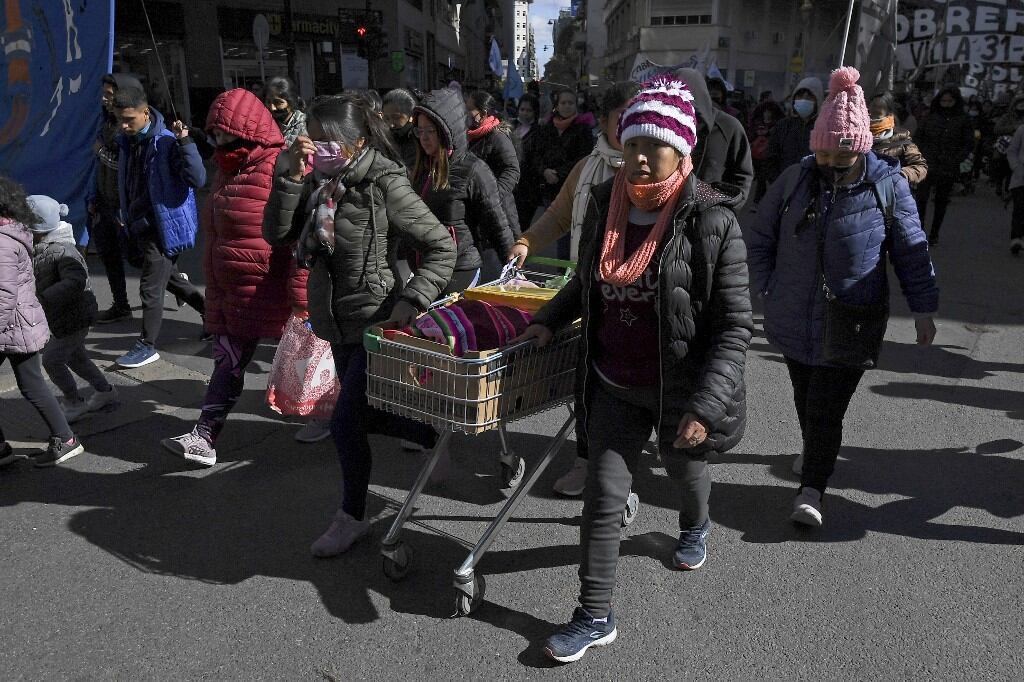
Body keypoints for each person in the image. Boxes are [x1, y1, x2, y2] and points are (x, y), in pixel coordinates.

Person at [516, 77, 752, 663]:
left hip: (679, 388)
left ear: (683, 149)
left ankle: (695, 524)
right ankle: (594, 615)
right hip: (612, 383)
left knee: (686, 474)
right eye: (633, 144)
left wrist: (706, 407)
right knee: (603, 499)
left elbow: (734, 327)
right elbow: (586, 281)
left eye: (655, 146)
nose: (641, 157)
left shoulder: (712, 222)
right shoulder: (605, 202)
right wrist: (548, 320)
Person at [262, 96, 456, 557]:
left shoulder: (383, 182)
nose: (318, 148)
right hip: (334, 319)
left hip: (376, 318)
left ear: (358, 141)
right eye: (313, 138)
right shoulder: (315, 181)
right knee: (360, 416)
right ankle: (431, 435)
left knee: (346, 422)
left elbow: (441, 246)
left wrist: (412, 299)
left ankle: (351, 517)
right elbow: (278, 234)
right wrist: (288, 178)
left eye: (328, 140)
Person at [747, 67, 939, 528]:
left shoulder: (889, 185)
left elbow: (912, 251)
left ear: (862, 147)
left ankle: (812, 488)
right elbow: (760, 237)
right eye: (824, 150)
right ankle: (814, 451)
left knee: (825, 408)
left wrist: (923, 309)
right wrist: (764, 286)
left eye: (843, 152)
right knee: (804, 397)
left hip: (853, 317)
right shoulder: (795, 179)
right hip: (793, 312)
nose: (832, 160)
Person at [160, 88, 296, 466]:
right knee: (228, 361)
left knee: (317, 360)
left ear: (248, 132)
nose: (220, 142)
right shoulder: (227, 168)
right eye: (215, 135)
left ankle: (344, 417)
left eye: (226, 134)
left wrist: (302, 292)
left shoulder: (279, 165)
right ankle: (204, 436)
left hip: (269, 285)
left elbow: (296, 232)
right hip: (231, 288)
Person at [111, 86, 207, 368]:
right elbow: (128, 182)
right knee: (171, 279)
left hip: (164, 229)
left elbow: (197, 178)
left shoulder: (165, 142)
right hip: (139, 224)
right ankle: (213, 317)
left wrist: (185, 142)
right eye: (119, 120)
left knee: (151, 287)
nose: (123, 125)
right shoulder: (127, 142)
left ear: (145, 113)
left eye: (129, 119)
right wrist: (125, 212)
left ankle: (147, 345)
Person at [0, 177, 86, 468]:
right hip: (18, 324)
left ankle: (66, 439)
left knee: (33, 384)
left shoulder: (2, 241)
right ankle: (63, 439)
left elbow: (4, 295)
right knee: (32, 383)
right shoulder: (11, 232)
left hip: (13, 326)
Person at [411, 87, 515, 295]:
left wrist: (512, 270)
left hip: (460, 268)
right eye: (419, 131)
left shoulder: (473, 169)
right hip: (425, 269)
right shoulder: (421, 168)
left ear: (447, 130)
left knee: (444, 317)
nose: (424, 138)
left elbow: (497, 223)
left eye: (430, 131)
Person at [26, 195, 116, 424]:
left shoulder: (63, 250)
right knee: (77, 358)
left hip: (74, 317)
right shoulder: (43, 247)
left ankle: (74, 402)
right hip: (64, 317)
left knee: (52, 361)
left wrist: (44, 298)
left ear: (39, 228)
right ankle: (105, 390)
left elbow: (75, 280)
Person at [89, 73, 143, 325]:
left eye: (109, 95)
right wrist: (93, 197)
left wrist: (101, 151)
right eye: (103, 94)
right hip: (104, 202)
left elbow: (126, 165)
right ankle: (121, 304)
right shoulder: (106, 123)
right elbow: (99, 167)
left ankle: (188, 293)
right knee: (109, 254)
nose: (104, 99)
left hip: (126, 205)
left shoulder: (131, 125)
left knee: (142, 259)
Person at [530, 88, 596, 258]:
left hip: (572, 187)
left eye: (570, 103)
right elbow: (537, 155)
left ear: (576, 105)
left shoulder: (583, 129)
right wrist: (545, 171)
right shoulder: (547, 128)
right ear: (556, 106)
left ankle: (569, 266)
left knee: (569, 231)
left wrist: (559, 173)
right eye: (563, 103)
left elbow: (585, 157)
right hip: (548, 188)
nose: (567, 106)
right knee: (555, 228)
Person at [675, 68, 754, 203]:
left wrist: (726, 208)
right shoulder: (665, 126)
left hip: (711, 211)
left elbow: (742, 177)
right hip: (670, 211)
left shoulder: (729, 127)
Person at [465, 90, 522, 276]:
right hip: (478, 215)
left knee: (504, 271)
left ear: (482, 113)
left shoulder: (497, 136)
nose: (465, 114)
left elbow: (512, 170)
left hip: (501, 212)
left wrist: (492, 196)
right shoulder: (470, 137)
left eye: (469, 110)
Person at [914, 86, 974, 246]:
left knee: (941, 201)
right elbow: (919, 137)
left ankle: (934, 233)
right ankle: (919, 230)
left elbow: (968, 143)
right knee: (921, 199)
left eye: (950, 101)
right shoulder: (930, 117)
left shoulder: (963, 119)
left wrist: (956, 159)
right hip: (927, 163)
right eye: (943, 101)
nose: (946, 104)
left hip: (948, 165)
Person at [767, 76, 824, 181]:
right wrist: (777, 182)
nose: (804, 100)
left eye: (809, 97)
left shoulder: (825, 128)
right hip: (784, 184)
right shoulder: (783, 126)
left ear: (818, 100)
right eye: (800, 96)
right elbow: (771, 157)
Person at [869, 92, 928, 187]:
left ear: (888, 113)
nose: (872, 119)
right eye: (870, 112)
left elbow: (920, 167)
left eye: (878, 114)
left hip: (890, 192)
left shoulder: (901, 137)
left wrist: (900, 175)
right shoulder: (855, 134)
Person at [512, 93, 544, 229]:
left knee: (522, 224)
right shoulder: (511, 127)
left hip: (528, 187)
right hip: (509, 183)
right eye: (522, 109)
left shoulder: (540, 132)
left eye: (529, 110)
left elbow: (538, 158)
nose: (525, 113)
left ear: (535, 112)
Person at [748, 100, 785, 203]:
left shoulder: (779, 125)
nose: (767, 113)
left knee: (770, 179)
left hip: (771, 156)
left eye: (770, 111)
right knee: (762, 179)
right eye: (766, 111)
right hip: (757, 157)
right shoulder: (757, 124)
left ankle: (761, 200)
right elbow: (751, 137)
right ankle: (759, 201)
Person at [382, 88, 419, 170]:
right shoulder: (383, 139)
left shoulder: (418, 142)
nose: (390, 124)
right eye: (386, 118)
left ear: (412, 116)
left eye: (396, 117)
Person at [263, 76, 307, 147]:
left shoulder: (306, 125)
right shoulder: (264, 124)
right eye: (268, 102)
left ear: (291, 102)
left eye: (278, 103)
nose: (272, 108)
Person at [1006, 118, 1024, 255]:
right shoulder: (1021, 130)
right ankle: (1016, 238)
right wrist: (1017, 168)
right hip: (1021, 178)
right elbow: (1012, 151)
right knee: (1019, 208)